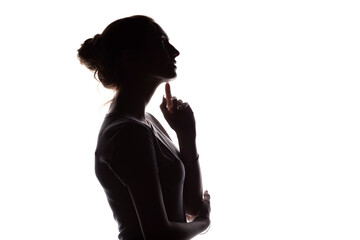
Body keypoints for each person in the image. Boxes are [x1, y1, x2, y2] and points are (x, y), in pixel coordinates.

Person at [78, 15, 211, 240]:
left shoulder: (146, 121)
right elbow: (158, 234)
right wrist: (203, 224)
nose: (175, 52)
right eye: (161, 43)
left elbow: (190, 204)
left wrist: (186, 136)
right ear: (130, 58)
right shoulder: (128, 132)